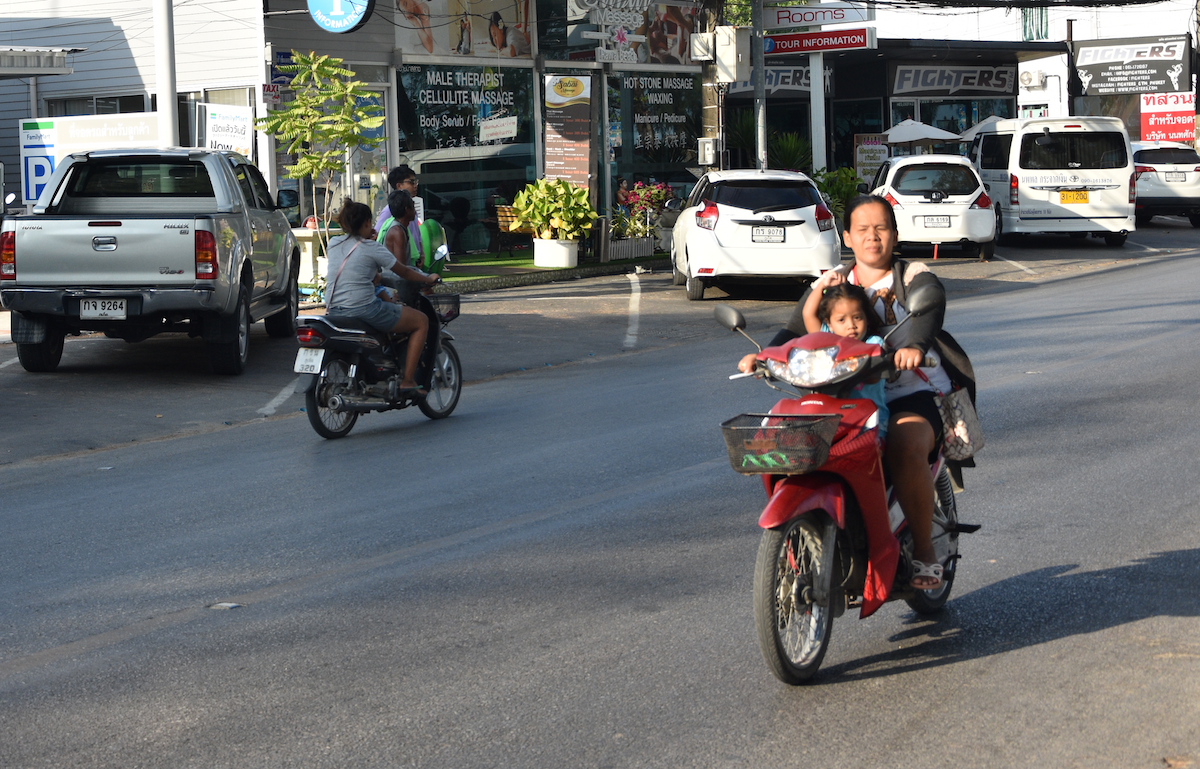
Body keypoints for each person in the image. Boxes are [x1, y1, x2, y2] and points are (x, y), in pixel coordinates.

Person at [738, 194, 975, 591]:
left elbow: (929, 309)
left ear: (895, 234)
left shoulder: (913, 274)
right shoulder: (835, 284)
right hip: (842, 396)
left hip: (909, 393)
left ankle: (925, 554)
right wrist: (763, 356)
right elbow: (800, 326)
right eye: (862, 229)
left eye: (881, 228)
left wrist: (912, 348)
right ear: (847, 236)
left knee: (903, 444)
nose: (873, 237)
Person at [325, 198, 439, 397]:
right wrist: (427, 278)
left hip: (333, 308)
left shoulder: (334, 243)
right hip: (364, 309)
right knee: (421, 321)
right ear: (367, 223)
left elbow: (358, 270)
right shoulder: (372, 248)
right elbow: (403, 272)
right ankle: (408, 381)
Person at [809, 282, 889, 441]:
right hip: (832, 422)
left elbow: (874, 376)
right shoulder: (826, 341)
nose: (851, 326)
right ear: (829, 324)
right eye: (841, 320)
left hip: (869, 422)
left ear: (866, 317)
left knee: (868, 456)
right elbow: (808, 315)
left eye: (857, 317)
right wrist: (821, 285)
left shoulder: (873, 344)